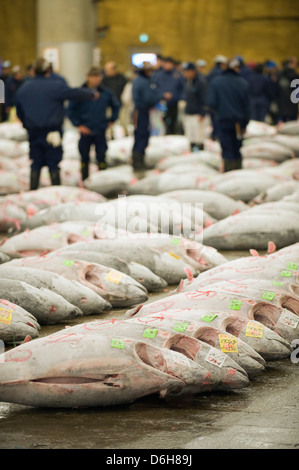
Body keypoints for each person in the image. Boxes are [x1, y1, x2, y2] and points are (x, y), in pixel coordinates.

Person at [16, 57, 99, 190]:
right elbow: (74, 93)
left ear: (33, 71)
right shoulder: (55, 86)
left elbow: (20, 112)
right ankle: (56, 193)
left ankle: (33, 191)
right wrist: (91, 94)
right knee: (53, 162)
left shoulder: (23, 89)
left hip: (33, 132)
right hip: (52, 132)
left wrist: (27, 125)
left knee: (35, 162)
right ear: (48, 70)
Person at [67, 66, 120, 180]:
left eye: (98, 77)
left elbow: (116, 106)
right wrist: (78, 124)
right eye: (94, 77)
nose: (96, 79)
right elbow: (70, 110)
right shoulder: (79, 92)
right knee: (84, 156)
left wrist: (112, 120)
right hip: (85, 129)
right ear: (88, 77)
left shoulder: (106, 92)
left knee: (101, 155)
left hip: (100, 128)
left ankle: (101, 180)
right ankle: (85, 179)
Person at [206, 58, 250, 173]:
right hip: (238, 123)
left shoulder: (216, 82)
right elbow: (247, 107)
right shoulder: (243, 83)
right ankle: (238, 171)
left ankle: (228, 172)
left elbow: (211, 103)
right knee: (237, 148)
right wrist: (245, 123)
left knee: (226, 148)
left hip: (223, 120)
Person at [131, 62, 161, 171]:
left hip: (145, 111)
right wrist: (156, 98)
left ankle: (140, 159)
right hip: (141, 111)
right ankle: (137, 161)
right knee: (141, 135)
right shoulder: (141, 81)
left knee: (143, 135)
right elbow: (147, 97)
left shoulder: (146, 80)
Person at [154, 56, 184, 134]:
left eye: (169, 64)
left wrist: (179, 97)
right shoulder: (158, 75)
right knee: (162, 122)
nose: (168, 66)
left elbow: (182, 88)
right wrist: (162, 95)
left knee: (174, 121)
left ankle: (173, 134)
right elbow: (154, 88)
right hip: (161, 103)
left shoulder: (177, 75)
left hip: (174, 102)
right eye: (166, 64)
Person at [182, 62, 207, 151]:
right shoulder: (187, 82)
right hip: (188, 113)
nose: (185, 74)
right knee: (190, 136)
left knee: (199, 137)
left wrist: (202, 113)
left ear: (192, 71)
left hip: (197, 114)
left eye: (187, 72)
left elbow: (204, 99)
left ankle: (200, 153)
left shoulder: (200, 83)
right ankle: (192, 154)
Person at [206, 55, 228, 140]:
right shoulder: (223, 74)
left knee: (214, 121)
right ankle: (218, 136)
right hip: (222, 103)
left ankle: (214, 136)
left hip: (212, 102)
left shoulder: (210, 73)